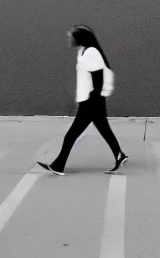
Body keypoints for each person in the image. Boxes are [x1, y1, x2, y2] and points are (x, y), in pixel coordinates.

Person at [37, 24, 128, 175]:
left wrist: (88, 101)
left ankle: (59, 165)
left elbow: (97, 80)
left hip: (91, 101)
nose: (68, 39)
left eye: (70, 37)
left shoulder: (91, 53)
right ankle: (119, 155)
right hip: (89, 100)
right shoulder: (83, 51)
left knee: (71, 135)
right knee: (104, 129)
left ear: (79, 38)